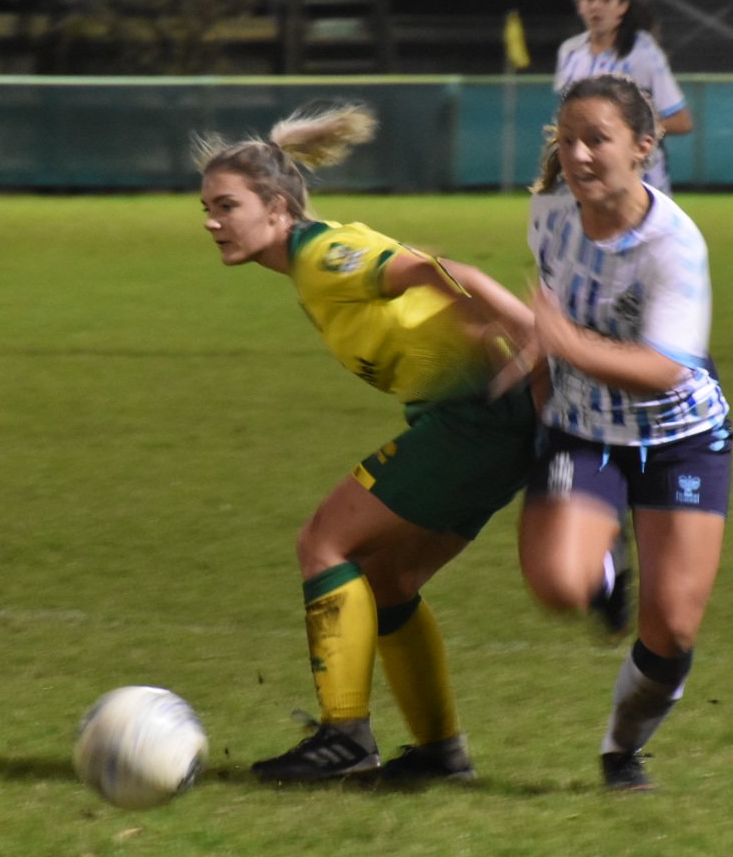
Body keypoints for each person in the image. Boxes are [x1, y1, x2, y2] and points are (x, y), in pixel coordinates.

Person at [196, 103, 538, 784]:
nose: (211, 222)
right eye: (206, 208)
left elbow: (446, 271)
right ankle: (440, 753)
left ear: (277, 208)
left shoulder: (325, 255)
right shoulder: (312, 264)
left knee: (323, 543)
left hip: (473, 421)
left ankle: (343, 735)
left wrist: (531, 332)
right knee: (389, 579)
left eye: (226, 206)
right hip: (492, 428)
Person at [519, 74, 733, 792]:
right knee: (557, 583)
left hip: (679, 437)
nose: (577, 155)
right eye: (567, 139)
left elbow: (663, 372)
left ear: (644, 147)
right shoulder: (549, 217)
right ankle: (604, 555)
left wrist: (558, 341)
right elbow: (547, 330)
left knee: (670, 631)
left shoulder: (675, 244)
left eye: (596, 140)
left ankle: (622, 749)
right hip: (583, 428)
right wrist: (545, 401)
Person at [554, 0, 692, 194]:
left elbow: (681, 121)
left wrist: (624, 133)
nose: (596, 6)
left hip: (640, 182)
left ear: (622, 7)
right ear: (580, 4)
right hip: (587, 179)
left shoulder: (642, 52)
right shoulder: (570, 53)